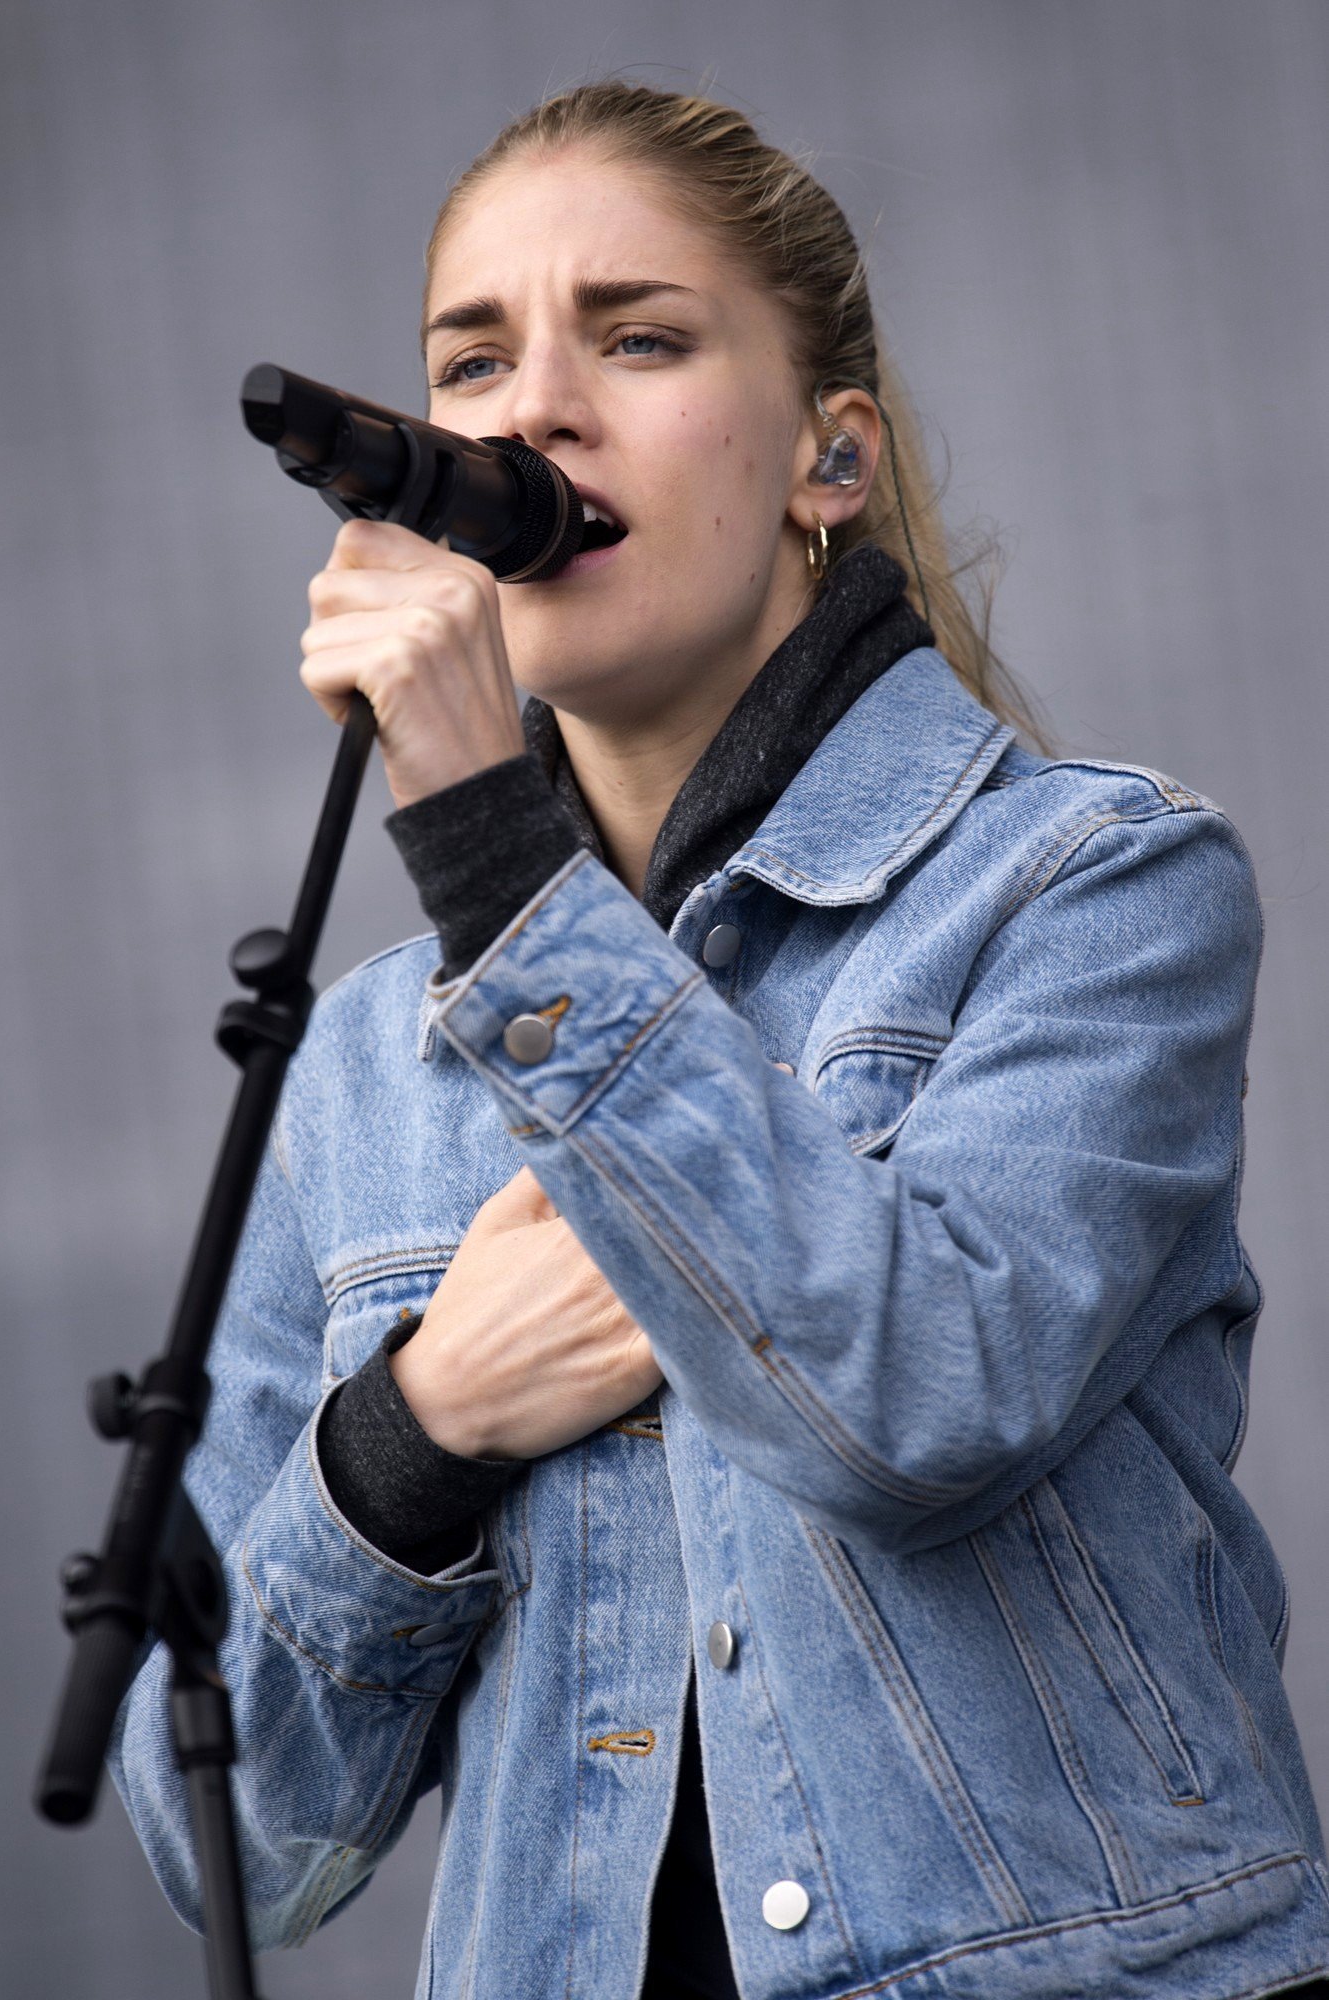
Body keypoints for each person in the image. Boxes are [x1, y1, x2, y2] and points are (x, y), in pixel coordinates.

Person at [109, 79, 1329, 2000]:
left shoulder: (1093, 888)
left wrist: (493, 863)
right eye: (475, 357)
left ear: (825, 460)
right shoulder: (358, 1069)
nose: (538, 409)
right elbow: (226, 1851)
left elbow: (916, 1406)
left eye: (642, 338)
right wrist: (420, 1433)